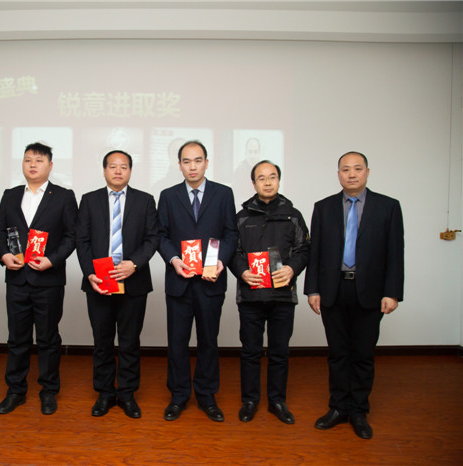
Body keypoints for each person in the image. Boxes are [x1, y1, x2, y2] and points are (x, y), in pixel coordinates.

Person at [305, 151, 404, 439]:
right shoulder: (323, 207)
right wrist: (313, 289)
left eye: (357, 169)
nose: (351, 174)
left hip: (370, 291)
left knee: (362, 354)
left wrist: (392, 293)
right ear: (338, 174)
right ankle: (338, 407)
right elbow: (315, 252)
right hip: (333, 289)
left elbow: (395, 253)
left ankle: (359, 410)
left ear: (367, 172)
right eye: (345, 169)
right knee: (337, 353)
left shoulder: (388, 207)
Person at [157, 140, 238, 422]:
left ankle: (206, 396)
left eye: (198, 160)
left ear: (206, 162)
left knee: (209, 341)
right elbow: (161, 235)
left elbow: (231, 234)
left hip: (210, 280)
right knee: (177, 342)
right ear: (179, 165)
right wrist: (174, 260)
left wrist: (221, 260)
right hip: (179, 281)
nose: (193, 166)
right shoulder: (168, 196)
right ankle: (179, 396)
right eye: (187, 161)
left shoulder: (223, 194)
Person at [0, 142, 78, 415]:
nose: (32, 164)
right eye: (28, 159)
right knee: (16, 339)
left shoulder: (63, 196)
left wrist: (52, 260)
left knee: (48, 338)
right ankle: (15, 391)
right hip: (17, 278)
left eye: (39, 160)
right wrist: (4, 255)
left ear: (50, 166)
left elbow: (72, 236)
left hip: (48, 280)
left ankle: (48, 390)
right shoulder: (10, 195)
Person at [76, 150, 159, 418]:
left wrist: (134, 264)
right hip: (99, 282)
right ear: (104, 170)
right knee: (102, 341)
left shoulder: (145, 201)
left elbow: (153, 238)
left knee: (129, 341)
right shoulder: (89, 200)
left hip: (133, 282)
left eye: (124, 166)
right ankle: (104, 393)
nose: (118, 171)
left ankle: (127, 394)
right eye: (113, 166)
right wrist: (90, 273)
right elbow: (82, 240)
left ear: (130, 171)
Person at [229, 161, 310, 424]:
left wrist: (292, 269)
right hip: (250, 295)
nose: (267, 182)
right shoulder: (241, 217)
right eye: (261, 178)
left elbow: (304, 249)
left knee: (279, 352)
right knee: (250, 351)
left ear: (279, 180)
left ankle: (277, 401)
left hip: (282, 296)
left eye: (272, 177)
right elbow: (233, 251)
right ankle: (250, 401)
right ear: (253, 183)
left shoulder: (293, 215)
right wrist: (242, 271)